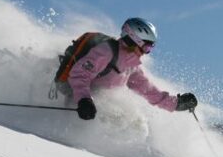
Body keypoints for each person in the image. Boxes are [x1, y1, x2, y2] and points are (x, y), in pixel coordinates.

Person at [58, 17, 197, 120]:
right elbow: (79, 75)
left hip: (91, 105)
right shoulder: (106, 51)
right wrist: (84, 100)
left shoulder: (132, 67)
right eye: (147, 46)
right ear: (134, 39)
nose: (147, 51)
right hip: (77, 100)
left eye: (150, 48)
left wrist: (177, 104)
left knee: (127, 119)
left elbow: (150, 92)